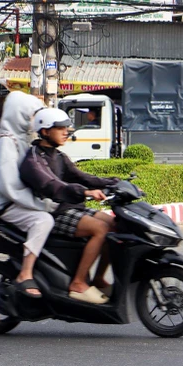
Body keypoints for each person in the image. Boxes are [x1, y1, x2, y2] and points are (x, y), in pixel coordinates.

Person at [20, 108, 118, 304]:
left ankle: (98, 278)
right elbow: (51, 185)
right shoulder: (34, 159)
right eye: (60, 128)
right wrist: (84, 192)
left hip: (71, 208)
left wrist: (114, 182)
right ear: (45, 131)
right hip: (52, 213)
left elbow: (82, 177)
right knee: (101, 229)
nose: (66, 132)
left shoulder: (59, 156)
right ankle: (79, 283)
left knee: (115, 225)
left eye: (67, 128)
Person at [0, 91, 56, 299]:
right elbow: (9, 186)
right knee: (43, 221)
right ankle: (25, 274)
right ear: (20, 114)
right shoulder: (7, 142)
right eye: (33, 114)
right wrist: (40, 204)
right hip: (6, 204)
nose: (36, 120)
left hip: (17, 200)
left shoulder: (23, 139)